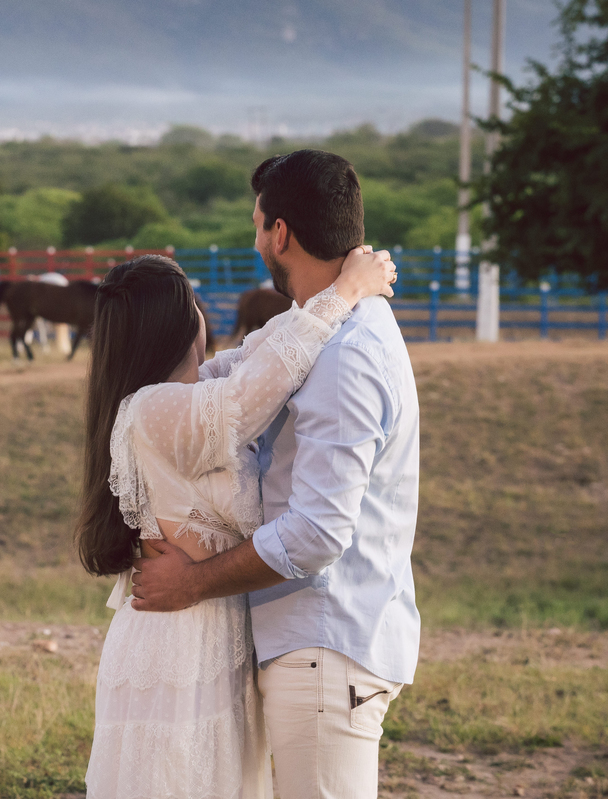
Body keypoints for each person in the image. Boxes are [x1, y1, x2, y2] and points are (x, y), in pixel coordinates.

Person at [129, 150, 421, 799]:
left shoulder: (346, 356)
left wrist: (192, 583)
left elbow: (317, 532)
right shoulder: (331, 331)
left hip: (325, 641)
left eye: (258, 224)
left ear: (279, 233)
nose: (256, 238)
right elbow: (251, 366)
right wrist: (344, 288)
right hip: (315, 641)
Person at [77, 239, 397, 796]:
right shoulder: (156, 409)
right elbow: (255, 390)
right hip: (178, 640)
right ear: (177, 323)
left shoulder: (192, 393)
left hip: (209, 629)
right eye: (195, 301)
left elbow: (264, 349)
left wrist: (334, 290)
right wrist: (346, 290)